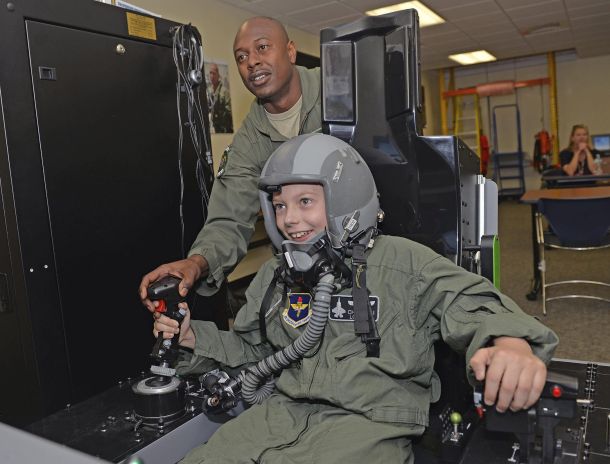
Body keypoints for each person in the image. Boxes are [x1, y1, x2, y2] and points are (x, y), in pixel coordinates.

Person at [152, 134, 558, 463]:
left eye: (305, 202)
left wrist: (509, 342)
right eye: (279, 206)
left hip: (370, 426)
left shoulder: (402, 263)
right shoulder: (278, 276)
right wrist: (193, 339)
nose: (289, 219)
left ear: (345, 198)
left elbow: (471, 301)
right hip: (277, 416)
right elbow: (253, 351)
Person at [139, 16, 321, 309]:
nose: (252, 62)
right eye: (241, 57)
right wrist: (196, 263)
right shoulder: (249, 141)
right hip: (305, 271)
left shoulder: (338, 90)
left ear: (290, 51)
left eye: (262, 47)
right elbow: (229, 220)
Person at [207, 63, 234, 133]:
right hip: (215, 126)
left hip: (224, 128)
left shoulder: (224, 91)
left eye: (214, 73)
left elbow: (229, 112)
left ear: (218, 75)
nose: (212, 76)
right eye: (210, 73)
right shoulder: (209, 91)